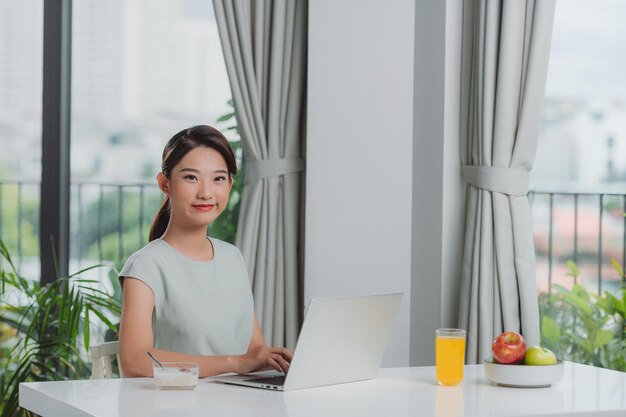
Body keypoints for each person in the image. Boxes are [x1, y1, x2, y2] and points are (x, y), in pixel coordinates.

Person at [118, 125, 292, 378]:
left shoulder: (232, 257)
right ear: (165, 184)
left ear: (230, 184)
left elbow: (254, 349)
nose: (206, 193)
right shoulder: (145, 266)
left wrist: (276, 360)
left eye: (218, 178)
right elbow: (134, 361)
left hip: (239, 402)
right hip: (176, 405)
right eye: (191, 177)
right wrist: (235, 363)